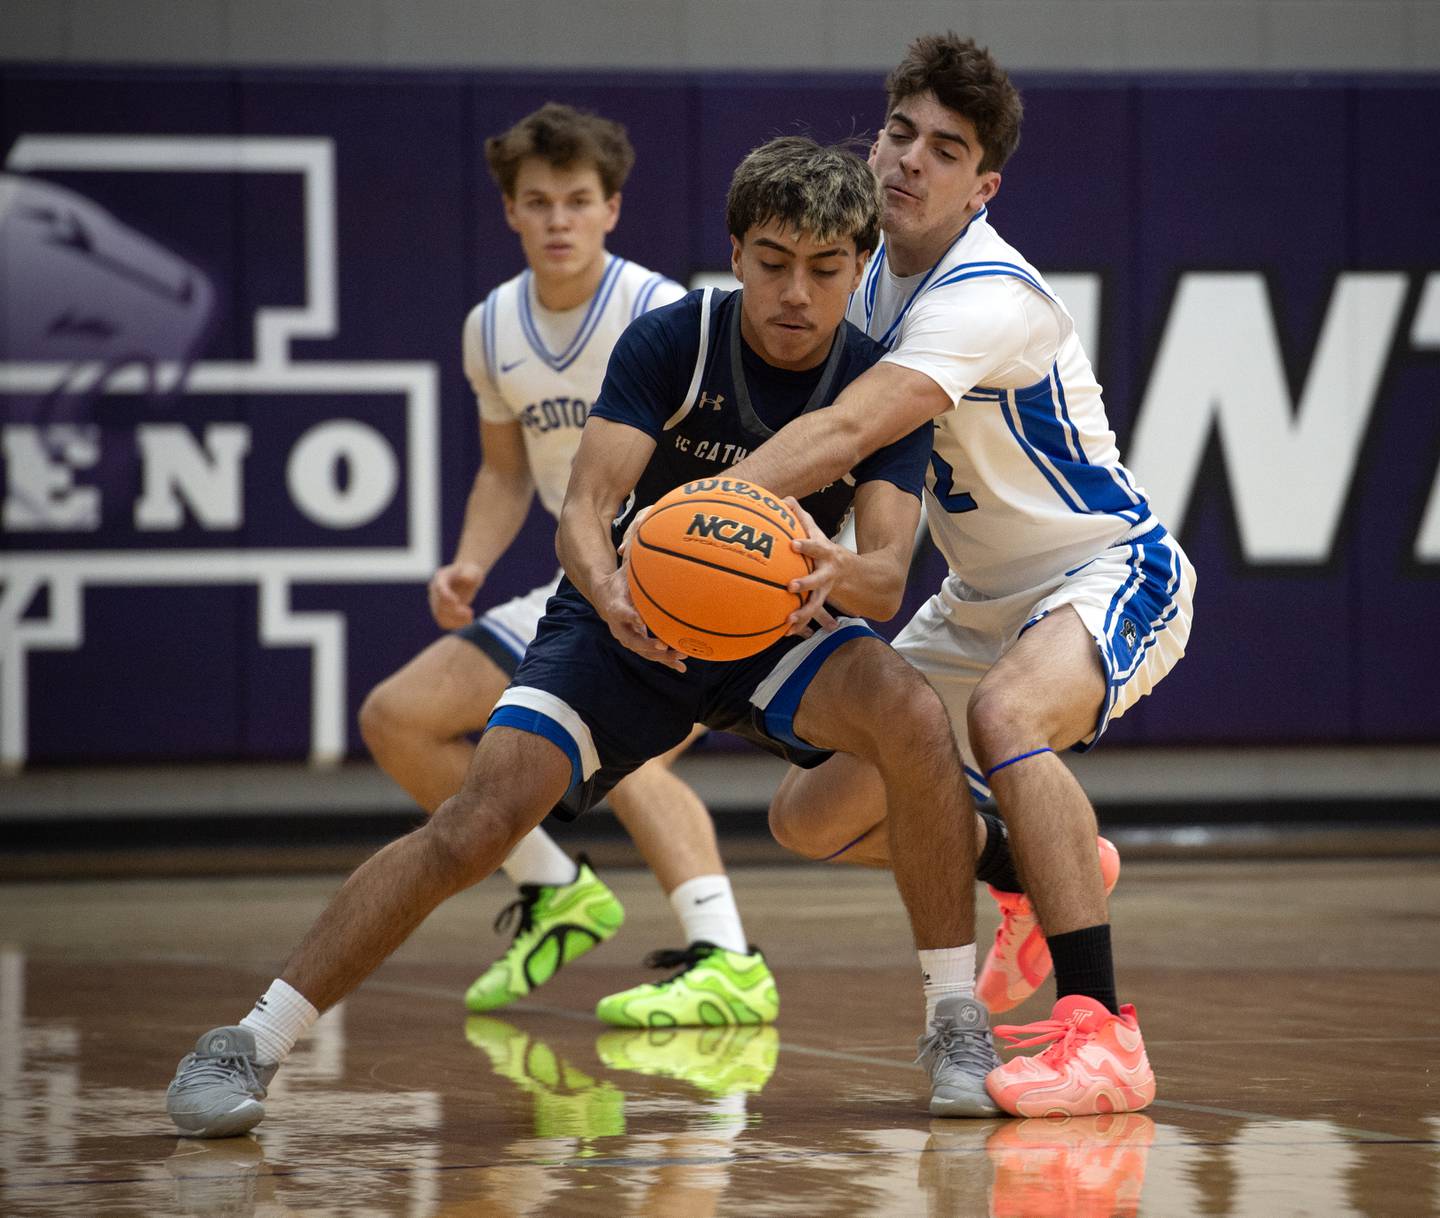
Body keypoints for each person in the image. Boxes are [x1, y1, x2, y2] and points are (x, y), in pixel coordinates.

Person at [165, 135, 1004, 1138]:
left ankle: (956, 1019)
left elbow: (884, 572)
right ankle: (249, 1041)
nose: (796, 292)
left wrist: (841, 575)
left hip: (778, 619)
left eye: (826, 270)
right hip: (624, 618)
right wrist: (610, 592)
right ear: (736, 254)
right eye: (774, 263)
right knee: (475, 823)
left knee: (910, 713)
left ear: (860, 268)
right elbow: (584, 506)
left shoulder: (879, 385)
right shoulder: (673, 341)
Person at [736, 34, 1196, 1118]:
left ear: (982, 185)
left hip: (1107, 567)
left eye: (945, 150)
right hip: (980, 600)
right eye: (900, 133)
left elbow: (854, 425)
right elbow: (856, 468)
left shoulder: (985, 293)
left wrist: (684, 520)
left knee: (1005, 715)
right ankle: (1029, 869)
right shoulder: (858, 279)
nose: (907, 162)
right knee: (808, 817)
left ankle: (1105, 1034)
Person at [356, 102, 771, 1024]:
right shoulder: (492, 326)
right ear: (509, 210)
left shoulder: (659, 310)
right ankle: (556, 887)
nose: (557, 220)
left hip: (686, 580)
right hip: (582, 581)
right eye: (537, 202)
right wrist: (467, 563)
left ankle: (728, 957)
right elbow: (505, 475)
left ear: (611, 208)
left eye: (577, 201)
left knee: (632, 761)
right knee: (398, 718)